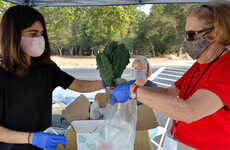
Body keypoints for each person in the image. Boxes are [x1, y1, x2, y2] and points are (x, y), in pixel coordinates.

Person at [111, 2, 230, 150]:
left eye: (191, 34)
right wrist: (130, 87)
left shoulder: (226, 68)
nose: (186, 41)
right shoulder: (201, 64)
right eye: (185, 34)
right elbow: (169, 93)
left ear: (215, 33)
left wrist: (134, 92)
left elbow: (189, 111)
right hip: (177, 141)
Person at [0, 5, 103, 150]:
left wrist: (107, 83)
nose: (39, 39)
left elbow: (78, 85)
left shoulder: (46, 68)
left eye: (41, 33)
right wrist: (31, 138)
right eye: (33, 33)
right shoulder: (2, 75)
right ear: (13, 35)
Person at [131, 56, 158, 150]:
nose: (138, 71)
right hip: (131, 124)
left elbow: (153, 110)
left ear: (147, 70)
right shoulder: (128, 85)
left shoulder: (153, 87)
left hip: (147, 125)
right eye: (136, 68)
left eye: (141, 68)